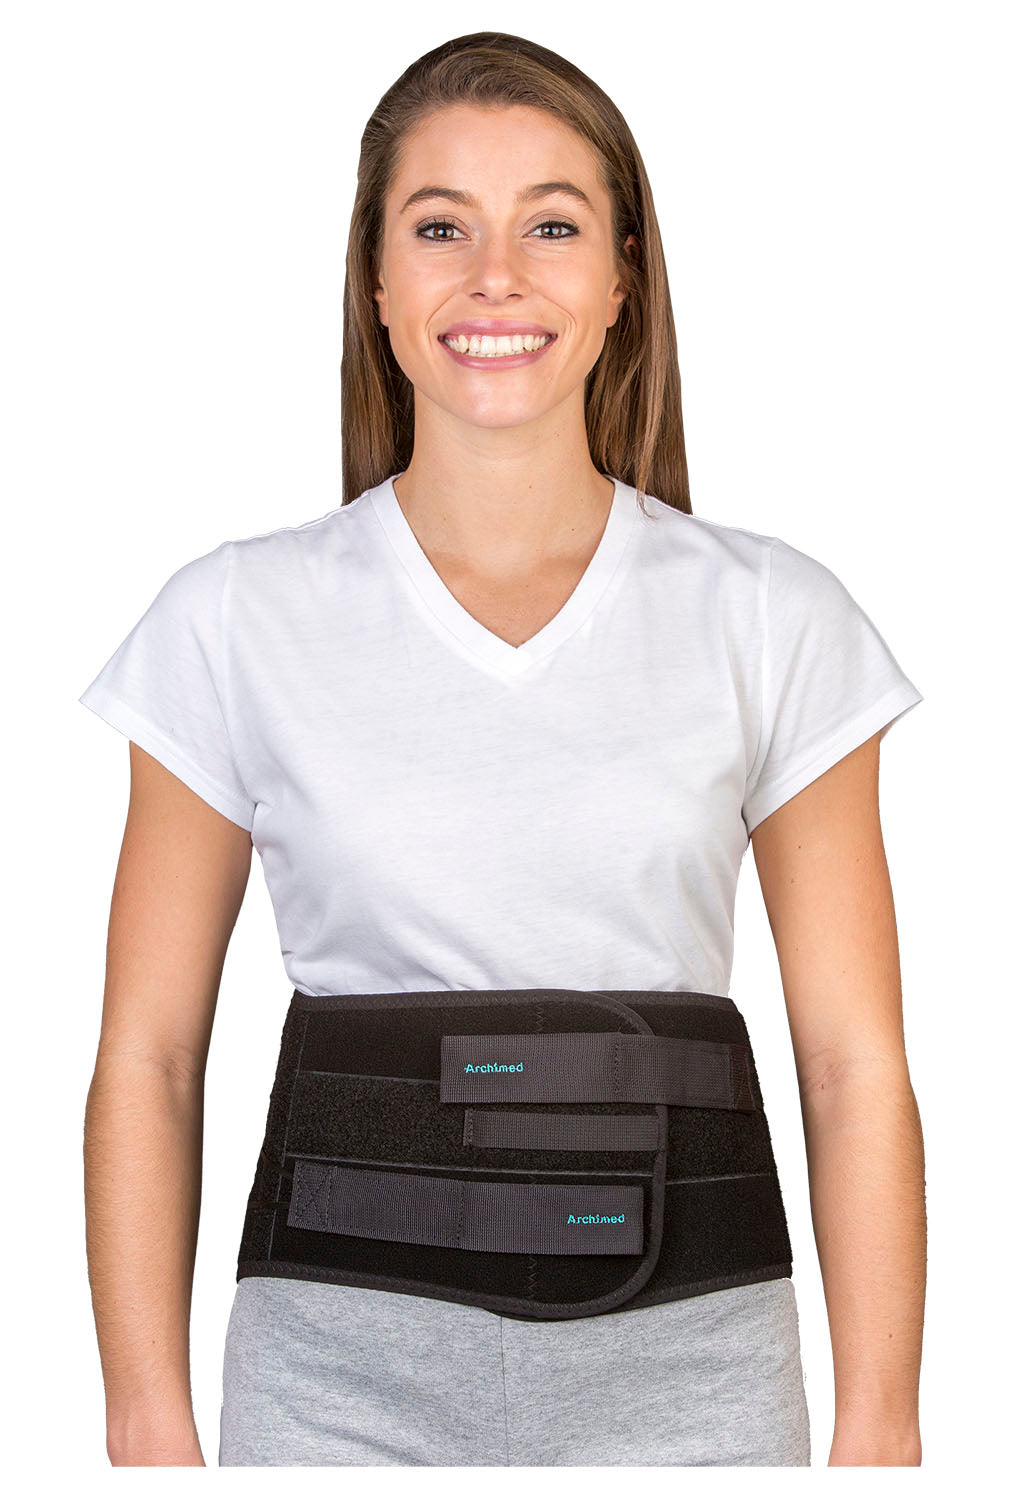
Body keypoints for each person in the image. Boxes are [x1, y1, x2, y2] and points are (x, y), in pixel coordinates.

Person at [79, 31, 926, 1468]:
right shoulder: (231, 620)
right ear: (377, 283)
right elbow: (149, 1059)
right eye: (439, 228)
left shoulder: (772, 617)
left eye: (551, 225)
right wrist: (147, 1430)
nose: (494, 277)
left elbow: (853, 1066)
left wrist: (883, 1433)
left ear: (622, 279)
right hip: (336, 1387)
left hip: (696, 1379)